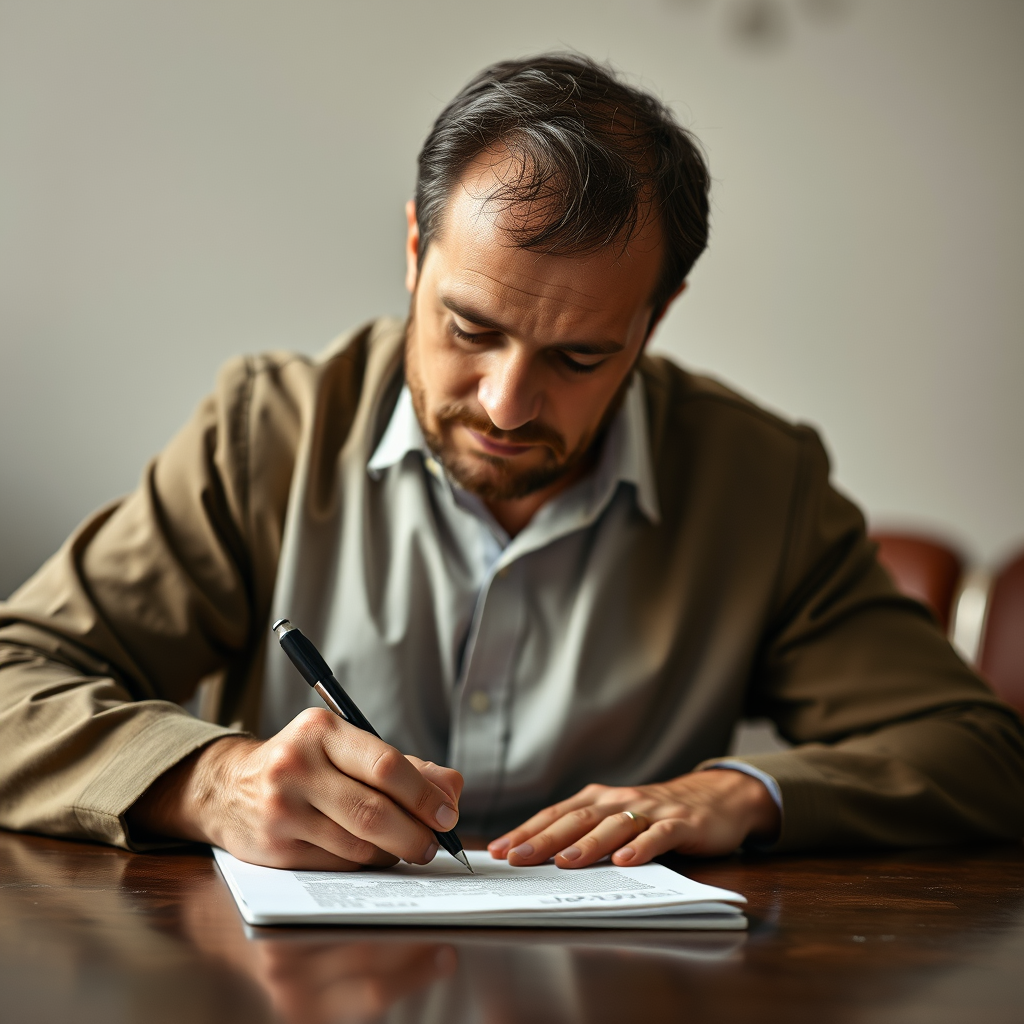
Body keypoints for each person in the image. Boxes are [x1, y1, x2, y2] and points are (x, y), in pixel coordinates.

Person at [1, 54, 1021, 873]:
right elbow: (14, 681)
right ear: (413, 251)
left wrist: (735, 792)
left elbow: (978, 752)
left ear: (654, 318)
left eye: (579, 356)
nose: (505, 402)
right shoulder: (268, 432)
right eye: (467, 326)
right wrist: (209, 779)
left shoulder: (761, 484)